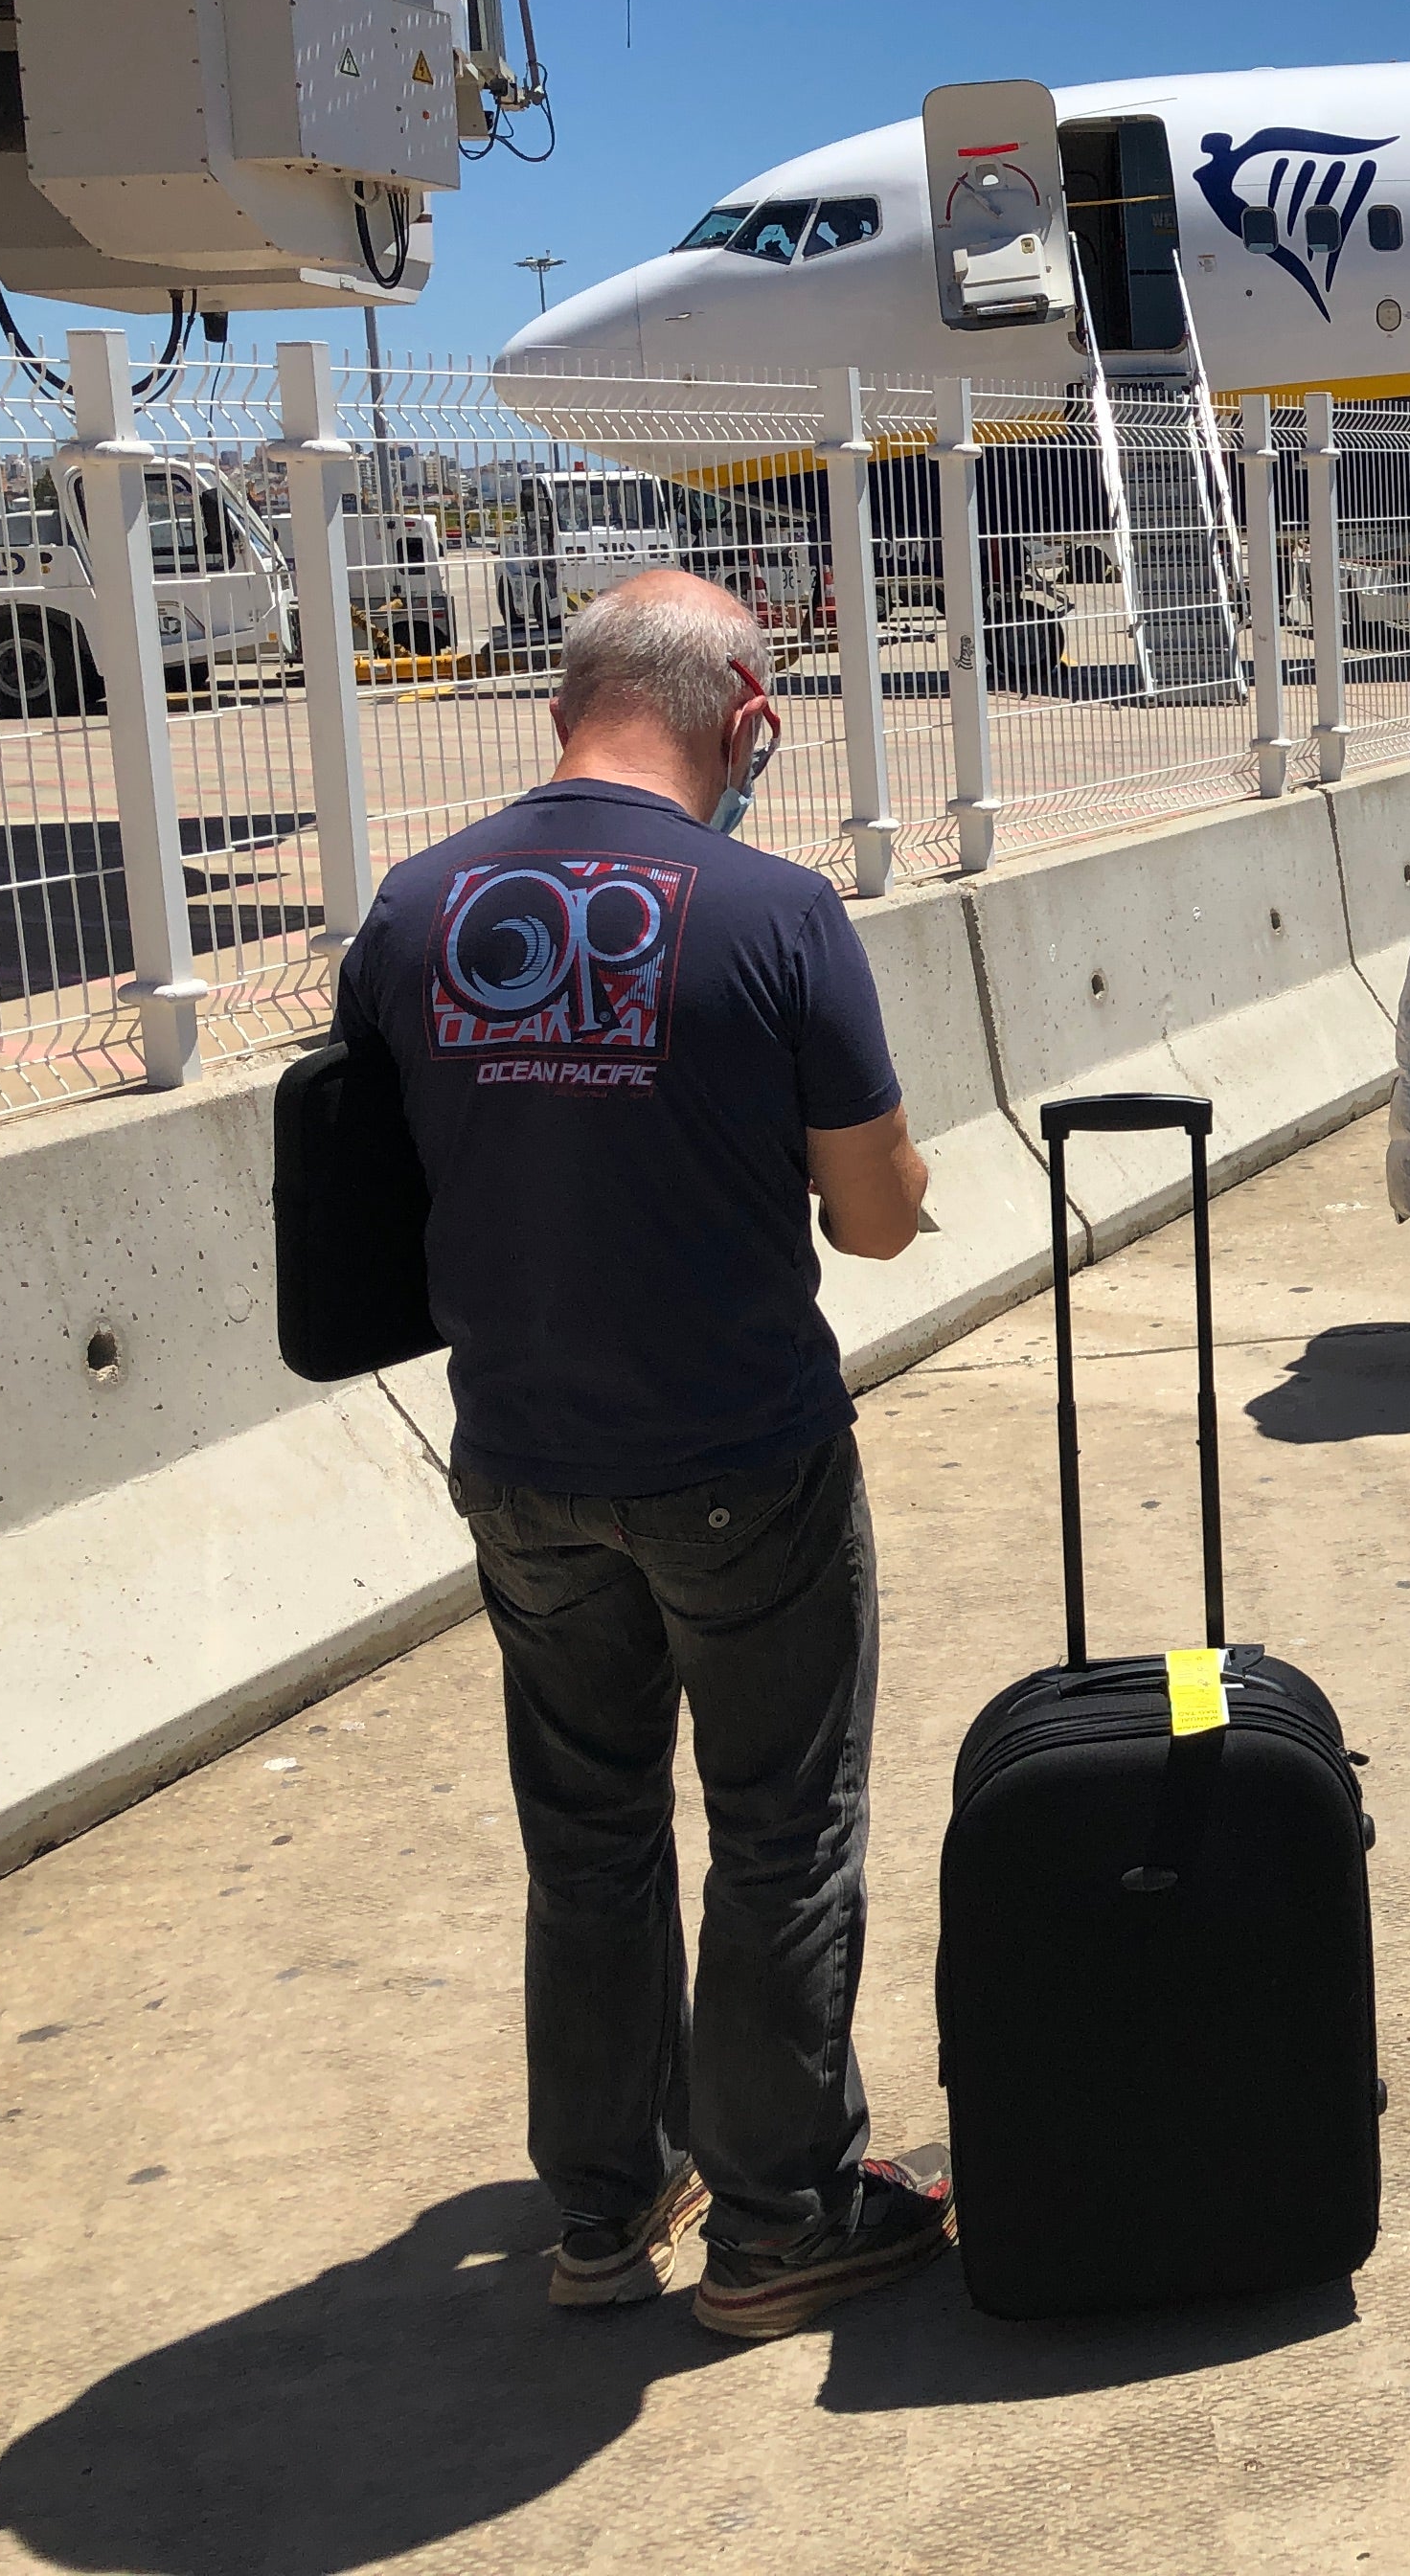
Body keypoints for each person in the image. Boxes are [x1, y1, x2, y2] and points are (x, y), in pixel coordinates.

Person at [330, 571, 948, 2340]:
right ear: (747, 716)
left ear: (558, 712)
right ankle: (777, 2217)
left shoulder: (413, 907)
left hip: (521, 1454)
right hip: (742, 1447)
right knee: (778, 1826)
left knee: (587, 1832)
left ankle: (602, 2210)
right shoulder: (774, 910)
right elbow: (877, 1217)